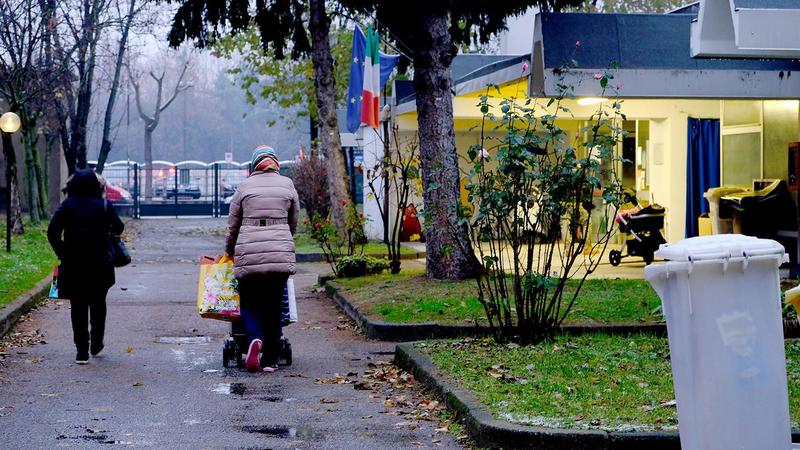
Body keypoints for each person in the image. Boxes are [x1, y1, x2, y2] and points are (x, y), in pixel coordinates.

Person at [225, 146, 299, 372]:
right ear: (275, 163)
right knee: (275, 304)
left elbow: (233, 225)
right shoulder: (287, 184)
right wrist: (284, 239)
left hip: (249, 254)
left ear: (254, 164)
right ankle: (270, 360)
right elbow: (293, 220)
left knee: (249, 301)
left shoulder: (244, 186)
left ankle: (254, 339)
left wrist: (230, 251)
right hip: (279, 253)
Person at [48, 169, 124, 364]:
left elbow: (52, 232)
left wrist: (62, 251)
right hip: (101, 263)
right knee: (99, 303)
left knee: (78, 306)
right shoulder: (104, 206)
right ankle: (96, 342)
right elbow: (119, 227)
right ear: (95, 185)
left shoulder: (67, 206)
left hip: (73, 263)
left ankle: (81, 350)